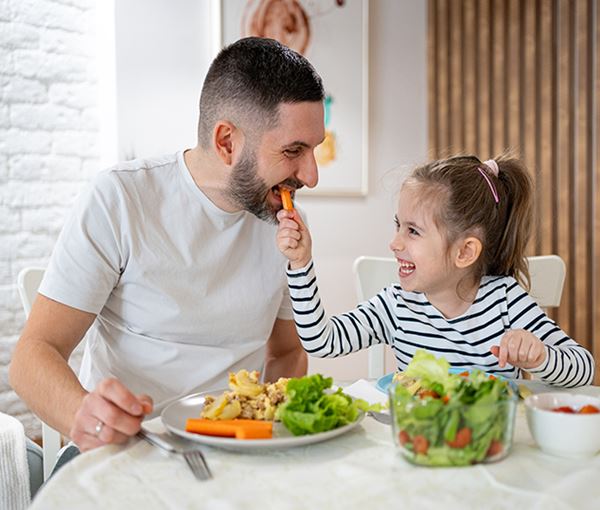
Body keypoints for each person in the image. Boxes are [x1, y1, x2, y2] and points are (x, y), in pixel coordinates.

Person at [9, 37, 326, 453]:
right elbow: (33, 355)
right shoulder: (121, 198)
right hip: (127, 446)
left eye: (313, 150)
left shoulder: (284, 224)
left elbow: (287, 352)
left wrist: (266, 426)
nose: (312, 175)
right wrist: (83, 415)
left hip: (237, 448)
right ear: (227, 142)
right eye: (293, 151)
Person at [277, 155, 595, 387]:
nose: (394, 243)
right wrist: (301, 264)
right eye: (398, 226)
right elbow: (322, 341)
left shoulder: (505, 301)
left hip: (488, 448)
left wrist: (540, 357)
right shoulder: (396, 304)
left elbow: (584, 368)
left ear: (464, 252)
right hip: (419, 445)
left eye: (413, 231)